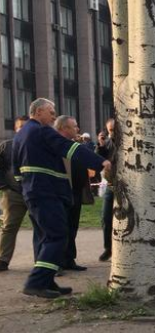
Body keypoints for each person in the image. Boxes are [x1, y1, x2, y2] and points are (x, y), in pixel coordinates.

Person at [12, 99, 109, 298]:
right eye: (51, 112)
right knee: (57, 236)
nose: (54, 116)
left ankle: (47, 281)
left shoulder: (21, 135)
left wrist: (27, 189)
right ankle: (36, 282)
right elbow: (70, 148)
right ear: (39, 112)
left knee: (45, 237)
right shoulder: (42, 131)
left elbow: (16, 171)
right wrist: (101, 163)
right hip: (47, 193)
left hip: (32, 193)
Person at [55, 115, 92, 272]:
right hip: (61, 192)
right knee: (60, 228)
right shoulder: (56, 145)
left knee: (72, 226)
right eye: (74, 126)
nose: (78, 129)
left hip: (75, 191)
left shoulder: (76, 145)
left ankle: (69, 259)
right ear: (64, 128)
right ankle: (57, 262)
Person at [0, 116, 30, 271]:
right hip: (13, 193)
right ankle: (2, 260)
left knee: (42, 228)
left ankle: (44, 262)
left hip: (35, 193)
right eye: (21, 127)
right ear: (15, 129)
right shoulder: (6, 146)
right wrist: (4, 185)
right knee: (8, 226)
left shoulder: (39, 145)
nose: (24, 130)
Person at [95, 118, 117, 262]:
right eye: (110, 130)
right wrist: (101, 146)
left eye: (114, 130)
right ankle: (108, 248)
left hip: (127, 185)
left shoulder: (127, 142)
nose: (112, 133)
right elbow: (97, 160)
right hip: (111, 184)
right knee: (106, 217)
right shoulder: (108, 143)